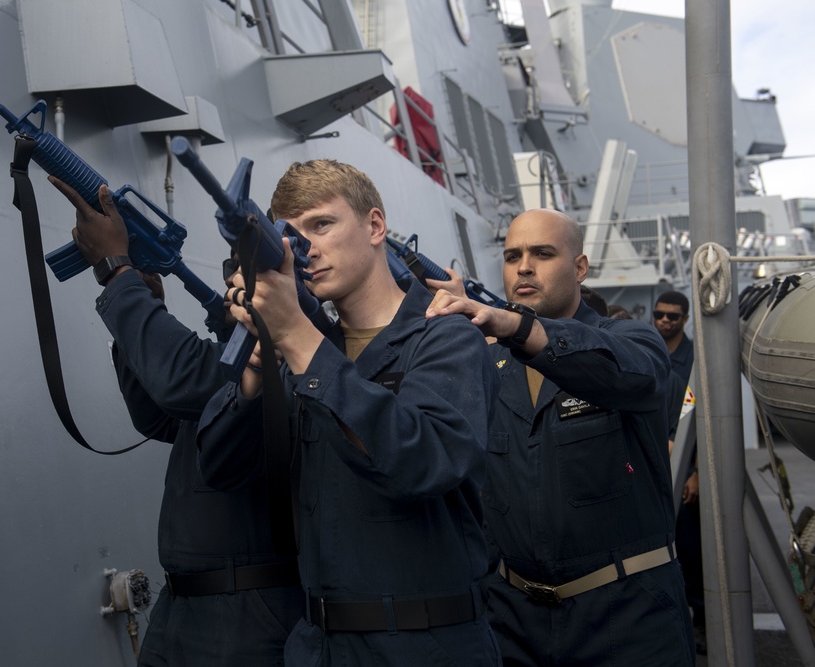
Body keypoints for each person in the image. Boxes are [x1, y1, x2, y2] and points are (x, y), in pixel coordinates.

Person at [195, 160, 501, 665]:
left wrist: (297, 338)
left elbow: (424, 459)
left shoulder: (446, 339)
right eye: (291, 234)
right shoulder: (312, 350)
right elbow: (224, 470)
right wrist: (252, 383)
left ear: (375, 226)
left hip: (425, 646)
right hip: (319, 645)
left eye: (322, 224)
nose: (306, 247)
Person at [49, 176, 304, 666]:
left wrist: (117, 272)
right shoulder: (234, 364)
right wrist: (146, 306)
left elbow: (183, 381)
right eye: (233, 273)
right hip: (181, 606)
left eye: (245, 276)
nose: (233, 286)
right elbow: (159, 416)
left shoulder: (291, 362)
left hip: (249, 614)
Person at [426, 208, 694, 666]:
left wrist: (514, 326)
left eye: (542, 253)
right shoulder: (489, 367)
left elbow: (638, 375)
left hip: (627, 614)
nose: (523, 266)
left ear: (580, 267)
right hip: (513, 619)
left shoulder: (631, 339)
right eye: (512, 256)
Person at [653, 290, 705, 655]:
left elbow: (702, 422)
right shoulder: (648, 350)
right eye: (660, 314)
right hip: (655, 465)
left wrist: (697, 472)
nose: (665, 320)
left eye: (673, 316)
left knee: (691, 548)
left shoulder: (693, 361)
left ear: (685, 319)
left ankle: (701, 620)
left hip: (686, 464)